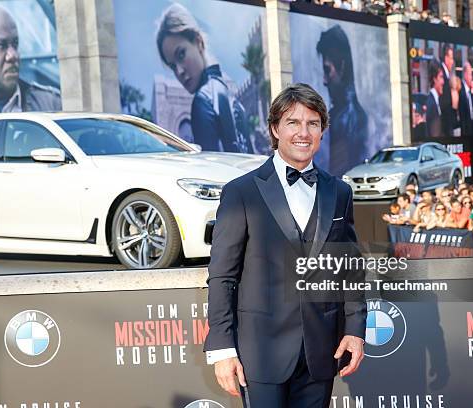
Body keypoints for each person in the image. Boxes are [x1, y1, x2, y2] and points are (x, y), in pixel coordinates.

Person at [205, 83, 366, 407]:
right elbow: (223, 275)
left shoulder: (339, 192)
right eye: (293, 122)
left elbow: (348, 268)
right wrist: (222, 348)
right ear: (275, 129)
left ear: (322, 131)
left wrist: (354, 328)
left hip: (321, 350)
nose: (303, 133)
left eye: (313, 123)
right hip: (260, 353)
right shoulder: (242, 192)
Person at [156, 4, 253, 154]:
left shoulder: (203, 100)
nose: (179, 71)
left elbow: (210, 171)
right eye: (172, 66)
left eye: (181, 54)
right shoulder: (227, 94)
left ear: (198, 42)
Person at [316, 25, 368, 176]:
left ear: (343, 67)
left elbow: (338, 177)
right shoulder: (347, 114)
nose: (324, 81)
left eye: (327, 70)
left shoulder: (346, 118)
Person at [440, 44, 458, 137]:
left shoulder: (447, 75)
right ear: (446, 58)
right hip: (444, 128)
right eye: (451, 58)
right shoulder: (441, 74)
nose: (452, 62)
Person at [426, 59, 444, 138]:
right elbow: (435, 137)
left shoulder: (435, 101)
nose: (443, 81)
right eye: (441, 77)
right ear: (434, 79)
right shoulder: (432, 104)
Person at [458, 62, 473, 137]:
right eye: (470, 74)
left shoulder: (471, 91)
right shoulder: (460, 90)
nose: (471, 77)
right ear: (465, 74)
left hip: (472, 128)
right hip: (465, 131)